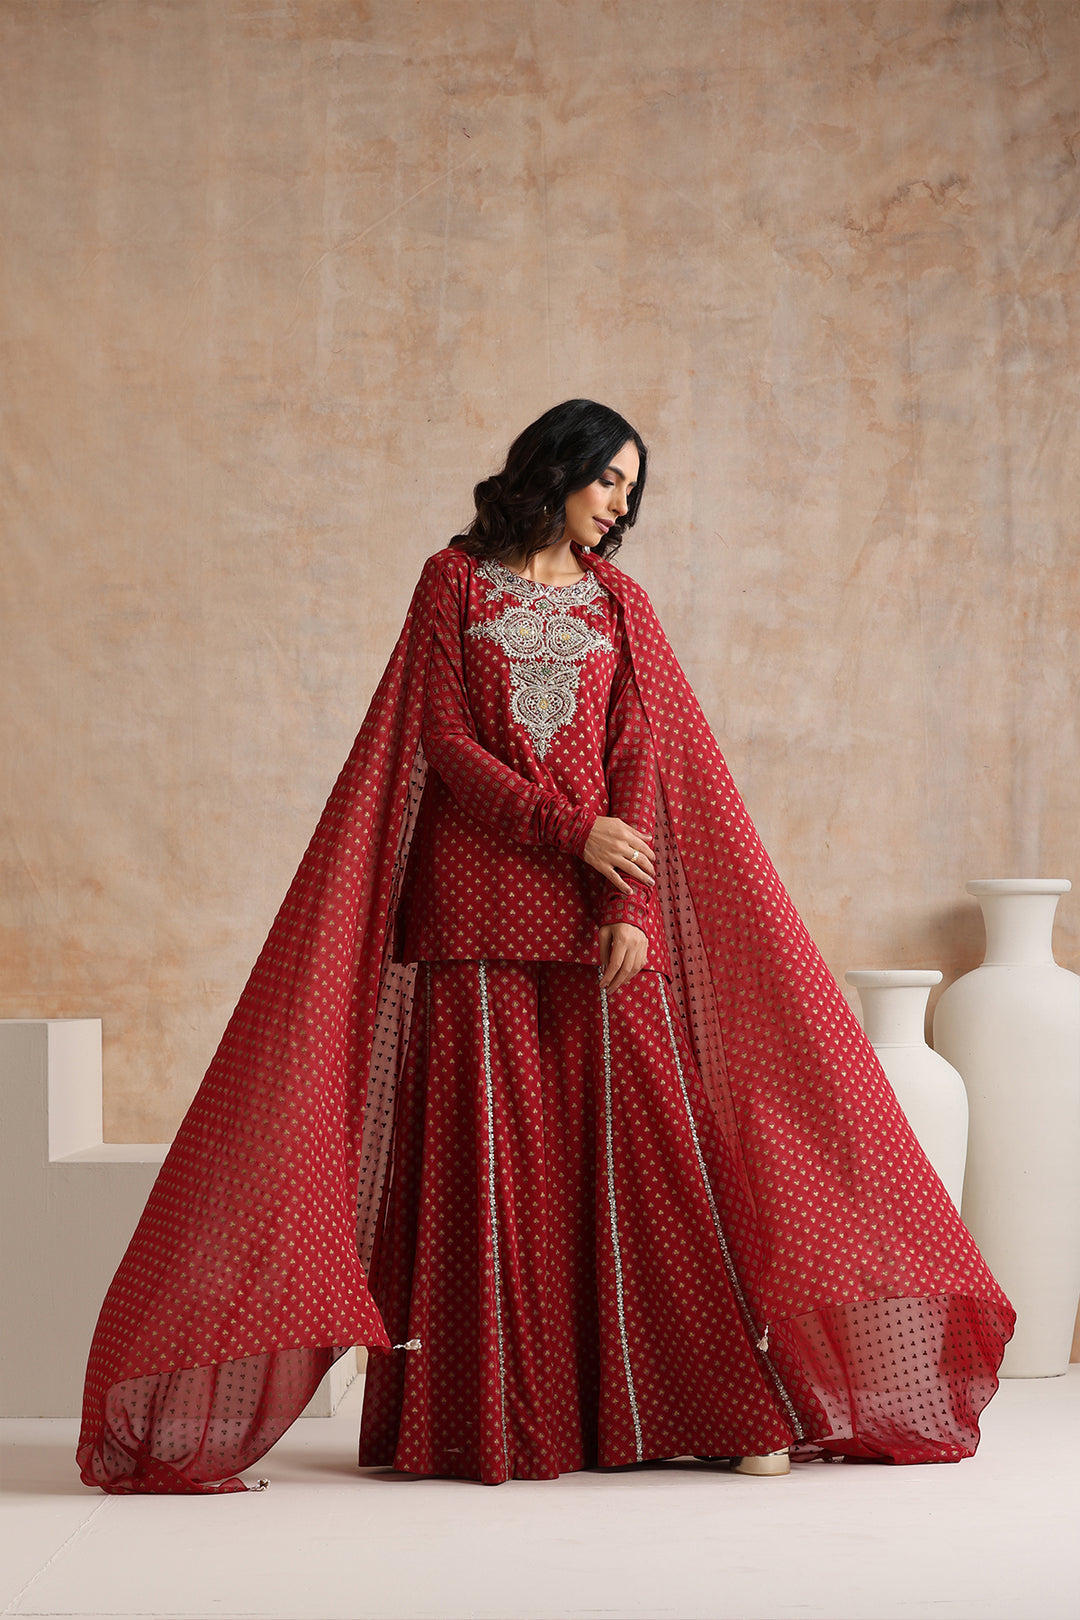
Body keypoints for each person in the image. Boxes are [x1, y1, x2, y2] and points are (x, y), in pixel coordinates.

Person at [77, 401, 1013, 1494]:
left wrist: (633, 907)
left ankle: (706, 1407)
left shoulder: (621, 603)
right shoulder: (454, 583)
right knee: (488, 1167)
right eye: (608, 478)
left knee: (650, 1162)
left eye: (631, 488)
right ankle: (491, 1423)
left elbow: (639, 757)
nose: (621, 503)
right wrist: (572, 831)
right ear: (557, 468)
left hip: (596, 910)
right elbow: (443, 741)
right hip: (474, 910)